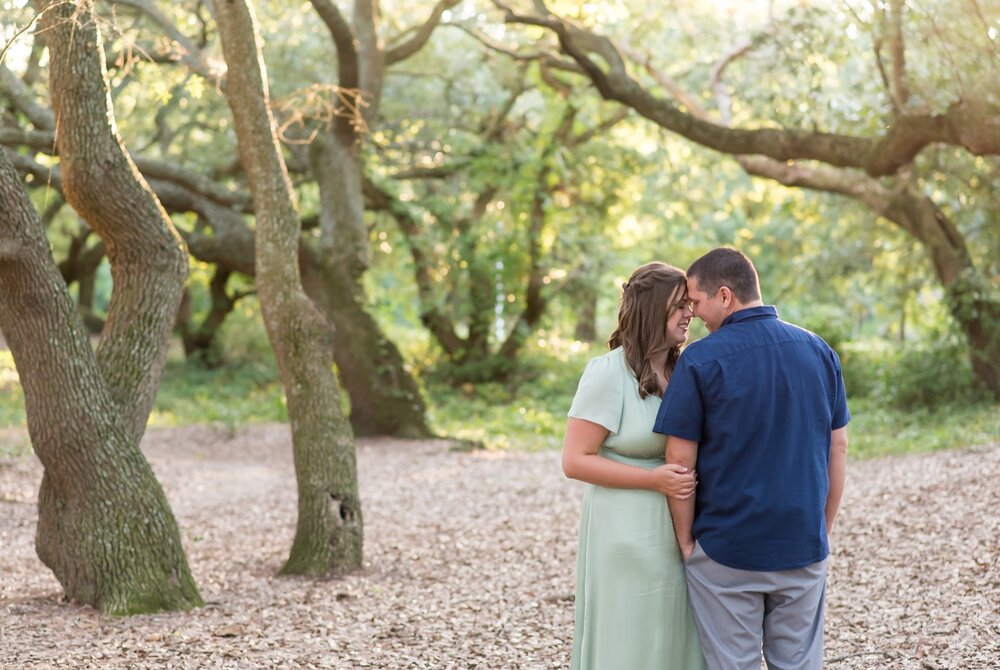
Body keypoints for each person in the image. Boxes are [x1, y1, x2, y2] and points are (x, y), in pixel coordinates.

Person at [653, 248, 850, 670]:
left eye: (697, 301)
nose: (695, 313)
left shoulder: (701, 359)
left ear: (724, 296)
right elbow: (839, 449)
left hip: (726, 550)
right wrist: (822, 530)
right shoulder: (819, 351)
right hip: (802, 544)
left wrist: (687, 542)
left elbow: (679, 460)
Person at [563, 261, 706, 670]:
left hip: (679, 525)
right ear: (652, 309)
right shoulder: (607, 373)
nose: (690, 314)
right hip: (625, 531)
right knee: (632, 637)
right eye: (679, 305)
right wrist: (652, 479)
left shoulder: (684, 370)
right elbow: (574, 461)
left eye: (690, 304)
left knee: (677, 633)